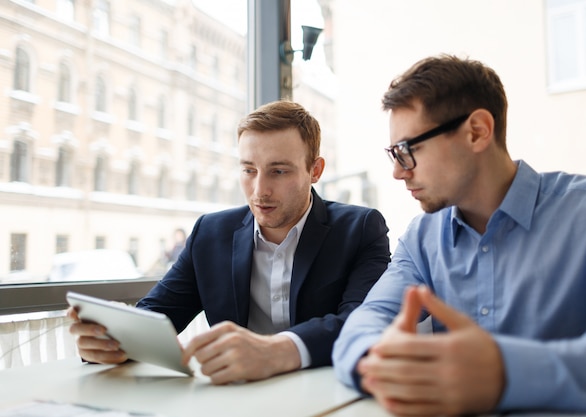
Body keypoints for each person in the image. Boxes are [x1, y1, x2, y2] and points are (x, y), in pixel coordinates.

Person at [332, 54, 586, 416]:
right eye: (393, 154)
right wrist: (377, 361)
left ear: (477, 131)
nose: (397, 172)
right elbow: (365, 322)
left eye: (407, 150)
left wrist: (504, 372)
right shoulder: (422, 239)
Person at [68, 100, 390, 384]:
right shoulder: (211, 233)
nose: (259, 190)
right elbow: (157, 316)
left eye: (278, 171)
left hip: (327, 393)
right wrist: (111, 343)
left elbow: (361, 323)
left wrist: (275, 352)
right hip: (234, 398)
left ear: (315, 170)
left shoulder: (360, 229)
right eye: (249, 170)